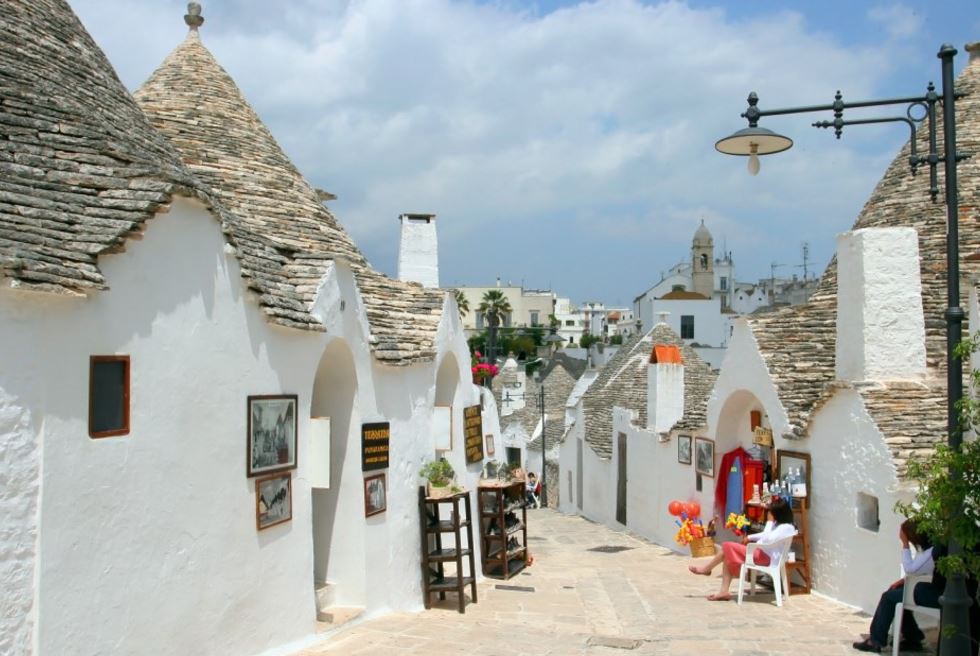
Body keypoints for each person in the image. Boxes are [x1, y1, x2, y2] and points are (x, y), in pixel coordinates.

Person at [688, 498, 796, 601]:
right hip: (761, 553)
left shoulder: (785, 527)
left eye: (771, 512)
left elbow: (768, 538)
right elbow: (765, 535)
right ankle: (723, 591)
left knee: (726, 546)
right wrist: (749, 537)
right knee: (727, 553)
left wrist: (769, 522)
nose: (768, 514)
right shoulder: (780, 525)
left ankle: (707, 569)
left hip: (765, 557)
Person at [852, 520, 936, 653]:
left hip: (933, 592)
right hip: (928, 587)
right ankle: (913, 638)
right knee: (896, 592)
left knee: (888, 597)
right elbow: (922, 571)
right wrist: (903, 581)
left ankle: (875, 641)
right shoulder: (930, 551)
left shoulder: (930, 554)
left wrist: (905, 545)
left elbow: (910, 569)